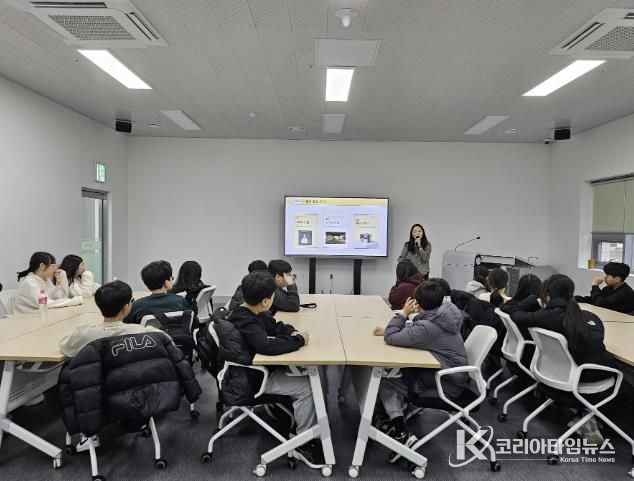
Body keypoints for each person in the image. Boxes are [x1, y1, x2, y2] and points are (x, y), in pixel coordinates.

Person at [219, 271, 323, 467]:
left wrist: (292, 332)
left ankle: (307, 422)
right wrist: (299, 340)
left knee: (308, 373)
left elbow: (275, 325)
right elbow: (266, 346)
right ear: (266, 301)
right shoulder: (245, 320)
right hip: (249, 380)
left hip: (253, 371)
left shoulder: (252, 312)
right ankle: (303, 442)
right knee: (308, 386)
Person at [510, 274, 614, 444]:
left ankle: (585, 417)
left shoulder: (545, 317)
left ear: (547, 296)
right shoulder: (590, 317)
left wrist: (534, 298)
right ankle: (587, 416)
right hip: (591, 380)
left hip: (555, 378)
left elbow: (514, 312)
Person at [372, 281, 468, 447]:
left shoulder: (428, 328)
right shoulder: (445, 315)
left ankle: (400, 429)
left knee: (384, 378)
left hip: (443, 386)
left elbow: (391, 337)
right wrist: (397, 329)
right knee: (395, 372)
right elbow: (418, 329)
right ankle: (391, 417)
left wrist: (403, 313)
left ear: (417, 302)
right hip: (452, 377)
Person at [59, 280, 170, 357]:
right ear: (126, 307)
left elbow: (64, 347)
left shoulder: (82, 334)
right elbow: (169, 344)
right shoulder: (146, 332)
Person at [14, 252, 83, 314]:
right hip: (24, 319)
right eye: (53, 266)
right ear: (42, 266)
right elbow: (46, 303)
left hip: (41, 315)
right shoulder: (30, 283)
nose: (56, 268)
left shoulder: (46, 280)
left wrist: (62, 277)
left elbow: (57, 298)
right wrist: (73, 301)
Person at [124, 260, 190, 324]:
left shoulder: (137, 305)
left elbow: (126, 325)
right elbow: (191, 319)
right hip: (175, 331)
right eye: (171, 278)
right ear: (166, 283)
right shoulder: (180, 301)